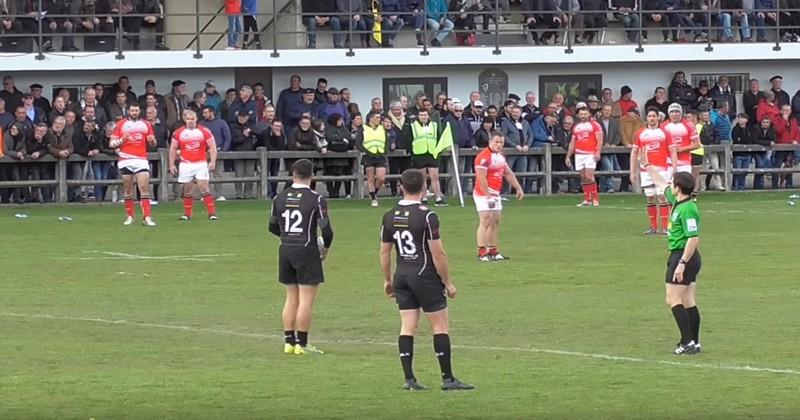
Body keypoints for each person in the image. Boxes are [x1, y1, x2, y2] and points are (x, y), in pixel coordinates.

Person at [379, 169, 474, 391]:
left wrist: (387, 280)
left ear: (401, 187)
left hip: (401, 274)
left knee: (407, 326)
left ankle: (409, 379)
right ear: (424, 187)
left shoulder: (389, 215)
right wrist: (448, 282)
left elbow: (384, 253)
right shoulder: (428, 215)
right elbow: (438, 253)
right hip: (424, 274)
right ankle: (447, 378)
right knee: (440, 325)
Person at [269, 159, 334, 356]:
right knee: (306, 300)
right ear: (312, 177)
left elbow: (272, 227)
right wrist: (325, 248)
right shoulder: (316, 199)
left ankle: (288, 341)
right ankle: (302, 343)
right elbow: (327, 230)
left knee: (291, 297)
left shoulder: (279, 198)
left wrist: (288, 238)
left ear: (293, 175)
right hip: (307, 249)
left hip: (286, 248)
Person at [641, 158, 703, 356]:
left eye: (673, 183)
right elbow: (661, 182)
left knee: (672, 298)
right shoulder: (678, 200)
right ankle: (694, 341)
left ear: (678, 187)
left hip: (684, 255)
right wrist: (648, 166)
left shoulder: (688, 209)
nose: (671, 185)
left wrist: (682, 263)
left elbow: (693, 238)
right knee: (688, 300)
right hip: (683, 255)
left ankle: (687, 342)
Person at [473, 131, 524, 262]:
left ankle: (493, 250)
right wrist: (487, 194)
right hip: (483, 193)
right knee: (485, 220)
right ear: (490, 142)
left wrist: (518, 187)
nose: (499, 145)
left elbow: (507, 173)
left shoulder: (500, 156)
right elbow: (481, 176)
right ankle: (481, 251)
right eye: (496, 142)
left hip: (496, 192)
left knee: (495, 221)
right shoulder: (483, 157)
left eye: (501, 142)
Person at [630, 108, 678, 235]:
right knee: (650, 197)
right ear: (647, 118)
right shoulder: (640, 133)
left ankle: (666, 228)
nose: (651, 118)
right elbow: (634, 152)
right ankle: (653, 227)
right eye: (649, 116)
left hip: (662, 169)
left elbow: (673, 151)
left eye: (653, 116)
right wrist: (632, 171)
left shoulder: (665, 133)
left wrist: (675, 168)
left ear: (658, 118)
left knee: (662, 196)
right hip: (646, 170)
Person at [108, 102, 157, 226]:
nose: (134, 112)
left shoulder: (146, 124)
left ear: (139, 111)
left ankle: (147, 217)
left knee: (144, 188)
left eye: (136, 110)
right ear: (128, 111)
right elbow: (111, 144)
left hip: (141, 160)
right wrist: (122, 140)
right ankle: (130, 216)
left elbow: (152, 142)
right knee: (128, 190)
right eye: (132, 110)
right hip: (125, 160)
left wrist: (152, 141)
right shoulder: (120, 125)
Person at [169, 110, 219, 221]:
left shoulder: (204, 131)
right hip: (186, 164)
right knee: (187, 189)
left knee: (203, 187)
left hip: (201, 163)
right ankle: (187, 214)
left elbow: (212, 146)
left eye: (192, 119)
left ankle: (212, 213)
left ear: (196, 119)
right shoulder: (178, 133)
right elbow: (173, 148)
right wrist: (171, 164)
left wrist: (213, 161)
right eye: (188, 119)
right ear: (185, 120)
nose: (190, 121)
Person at [405, 109, 447, 206]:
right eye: (421, 115)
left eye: (425, 115)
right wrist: (412, 152)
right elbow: (408, 140)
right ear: (418, 116)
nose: (423, 117)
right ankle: (423, 197)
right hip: (419, 153)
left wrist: (438, 151)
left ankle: (438, 197)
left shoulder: (434, 125)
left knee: (435, 177)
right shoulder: (413, 126)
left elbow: (439, 138)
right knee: (422, 177)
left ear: (428, 116)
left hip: (432, 153)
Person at [565, 106, 603, 207]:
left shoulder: (595, 125)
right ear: (578, 115)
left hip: (590, 153)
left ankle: (595, 199)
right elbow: (572, 143)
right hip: (579, 154)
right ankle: (587, 199)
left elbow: (599, 140)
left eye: (585, 114)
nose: (583, 116)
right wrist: (568, 156)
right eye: (581, 114)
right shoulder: (576, 127)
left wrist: (598, 152)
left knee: (589, 176)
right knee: (583, 177)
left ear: (589, 114)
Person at [661, 103, 701, 175]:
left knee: (684, 185)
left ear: (681, 113)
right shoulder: (663, 126)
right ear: (669, 113)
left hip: (684, 163)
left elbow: (697, 144)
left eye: (677, 112)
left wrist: (681, 149)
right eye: (672, 112)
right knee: (668, 185)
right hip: (667, 162)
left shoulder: (689, 125)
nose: (674, 114)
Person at [359, 111, 388, 207]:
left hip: (380, 154)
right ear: (371, 118)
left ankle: (374, 192)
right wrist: (366, 151)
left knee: (381, 178)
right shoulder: (363, 128)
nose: (379, 119)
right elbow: (358, 143)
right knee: (370, 178)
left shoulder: (382, 128)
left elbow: (386, 140)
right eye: (377, 117)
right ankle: (373, 198)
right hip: (369, 155)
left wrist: (385, 150)